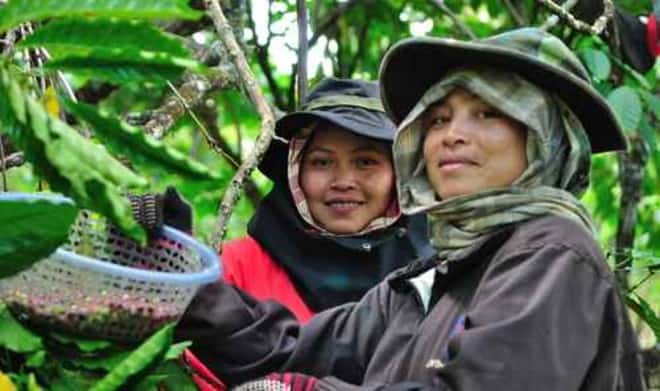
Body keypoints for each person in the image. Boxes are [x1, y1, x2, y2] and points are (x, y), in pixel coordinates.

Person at [176, 28, 645, 390]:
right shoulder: (427, 280)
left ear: (548, 139)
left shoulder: (552, 253)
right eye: (438, 118)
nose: (450, 135)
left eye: (488, 112)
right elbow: (294, 351)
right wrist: (182, 284)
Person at [220, 77, 432, 323]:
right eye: (322, 162)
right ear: (295, 171)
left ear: (399, 173)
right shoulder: (235, 267)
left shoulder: (436, 273)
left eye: (365, 162)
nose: (343, 181)